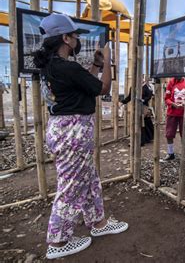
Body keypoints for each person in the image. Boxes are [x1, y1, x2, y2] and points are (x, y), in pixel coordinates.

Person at [33, 13, 128, 259]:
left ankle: (98, 222)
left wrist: (95, 65)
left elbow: (82, 82)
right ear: (65, 38)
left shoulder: (52, 66)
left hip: (63, 128)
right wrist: (107, 61)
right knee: (72, 185)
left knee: (88, 178)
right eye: (75, 36)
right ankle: (58, 240)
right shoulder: (67, 67)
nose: (77, 40)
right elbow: (102, 89)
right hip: (73, 130)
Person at [121, 79, 154, 146]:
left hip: (143, 107)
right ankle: (141, 139)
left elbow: (149, 95)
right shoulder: (133, 87)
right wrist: (122, 102)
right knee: (138, 123)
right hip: (135, 108)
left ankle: (142, 140)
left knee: (143, 123)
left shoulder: (145, 86)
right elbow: (130, 97)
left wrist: (143, 100)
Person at [164, 77, 185, 160]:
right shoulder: (171, 82)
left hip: (184, 114)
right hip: (172, 113)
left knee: (184, 134)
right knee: (169, 134)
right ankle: (170, 153)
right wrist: (173, 104)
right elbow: (166, 98)